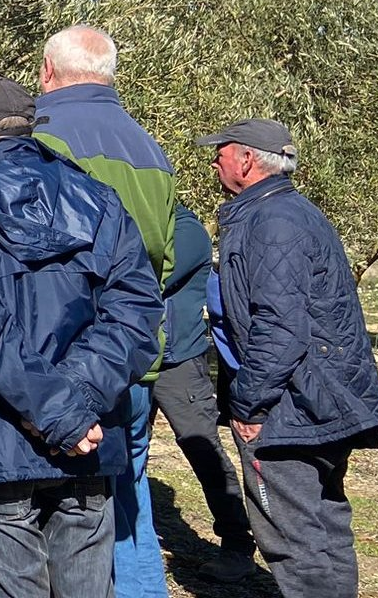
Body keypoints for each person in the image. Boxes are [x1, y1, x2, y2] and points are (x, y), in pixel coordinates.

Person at [0, 75, 160, 598]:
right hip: (86, 432)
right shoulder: (98, 194)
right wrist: (73, 402)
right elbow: (137, 310)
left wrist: (56, 408)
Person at [203, 118, 378, 598]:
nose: (214, 160)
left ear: (246, 160)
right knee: (326, 523)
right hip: (320, 397)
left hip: (293, 405)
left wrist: (249, 405)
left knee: (294, 537)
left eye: (221, 151)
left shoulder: (272, 222)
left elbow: (280, 325)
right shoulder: (289, 211)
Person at [33, 24, 176, 598]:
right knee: (130, 496)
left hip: (74, 365)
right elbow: (161, 260)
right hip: (136, 356)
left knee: (70, 516)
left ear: (47, 71)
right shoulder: (148, 147)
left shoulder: (43, 140)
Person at [151, 203, 256, 582]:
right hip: (131, 358)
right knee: (126, 455)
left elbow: (147, 277)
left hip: (177, 359)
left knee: (203, 450)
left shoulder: (187, 229)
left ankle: (237, 544)